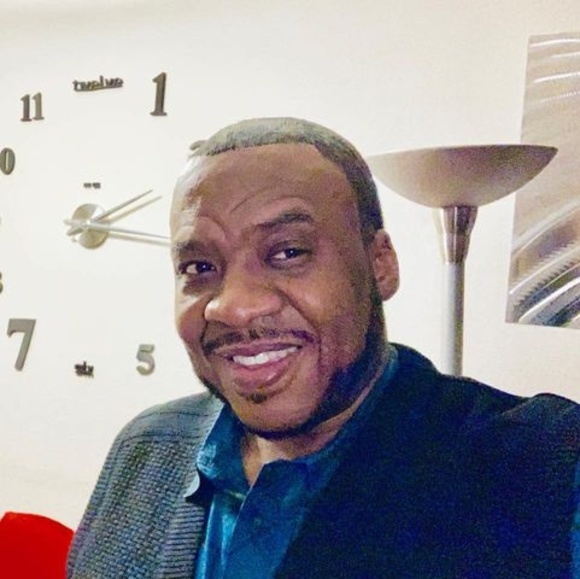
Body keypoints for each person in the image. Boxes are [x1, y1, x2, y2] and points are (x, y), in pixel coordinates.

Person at [67, 117, 580, 579]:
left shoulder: (540, 471)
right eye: (199, 267)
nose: (233, 307)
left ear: (380, 264)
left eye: (288, 252)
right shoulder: (146, 448)